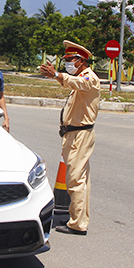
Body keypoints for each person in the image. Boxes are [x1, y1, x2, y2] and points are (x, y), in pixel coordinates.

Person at [39, 40, 100, 235]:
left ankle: (77, 224)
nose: (67, 63)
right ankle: (79, 218)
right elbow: (72, 83)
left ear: (81, 61)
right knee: (81, 179)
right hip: (73, 134)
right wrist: (58, 76)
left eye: (70, 60)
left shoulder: (89, 78)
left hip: (80, 135)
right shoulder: (79, 78)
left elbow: (78, 82)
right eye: (66, 60)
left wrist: (57, 74)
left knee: (75, 179)